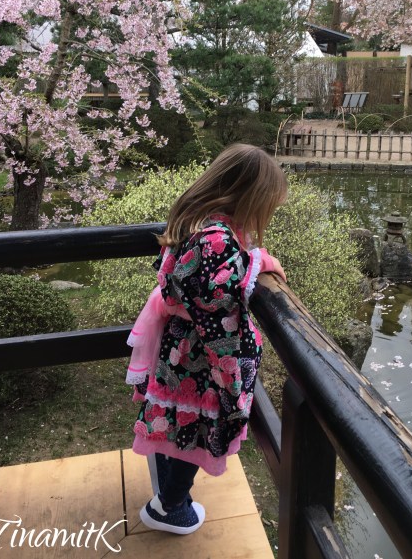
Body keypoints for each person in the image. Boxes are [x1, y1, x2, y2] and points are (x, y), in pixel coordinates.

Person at [125, 143, 287, 535]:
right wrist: (232, 377)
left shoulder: (194, 222)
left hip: (180, 346)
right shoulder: (217, 240)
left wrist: (254, 259)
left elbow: (209, 279)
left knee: (175, 421)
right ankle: (168, 507)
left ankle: (169, 496)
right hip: (201, 357)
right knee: (194, 431)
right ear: (248, 197)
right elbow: (219, 304)